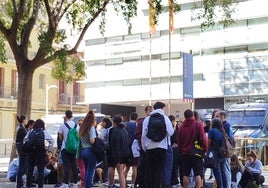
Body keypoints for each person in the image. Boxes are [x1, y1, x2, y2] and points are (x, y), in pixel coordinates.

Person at [141, 101, 174, 188]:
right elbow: (170, 132)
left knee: (150, 170)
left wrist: (144, 146)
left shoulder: (147, 119)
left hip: (150, 148)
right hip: (162, 148)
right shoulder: (165, 118)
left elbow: (143, 134)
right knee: (159, 170)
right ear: (162, 108)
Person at [177, 109, 208, 188]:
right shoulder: (198, 125)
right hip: (196, 153)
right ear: (193, 116)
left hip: (185, 153)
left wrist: (181, 151)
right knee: (197, 174)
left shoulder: (181, 127)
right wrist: (205, 149)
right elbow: (203, 139)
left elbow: (179, 141)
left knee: (185, 174)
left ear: (185, 116)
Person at [24, 119, 54, 188]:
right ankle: (40, 185)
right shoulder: (44, 131)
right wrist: (47, 148)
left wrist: (29, 147)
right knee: (41, 170)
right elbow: (51, 141)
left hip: (31, 153)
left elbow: (25, 139)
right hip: (41, 152)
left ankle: (28, 185)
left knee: (30, 169)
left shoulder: (31, 131)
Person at [207, 118, 233, 188]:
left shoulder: (212, 131)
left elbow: (208, 143)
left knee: (217, 173)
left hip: (216, 155)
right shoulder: (223, 131)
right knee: (223, 172)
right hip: (224, 154)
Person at [58, 110, 79, 188]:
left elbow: (60, 137)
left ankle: (66, 183)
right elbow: (78, 136)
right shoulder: (77, 125)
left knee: (66, 165)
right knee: (74, 165)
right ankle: (75, 183)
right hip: (74, 148)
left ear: (65, 116)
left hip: (65, 148)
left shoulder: (63, 126)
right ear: (72, 116)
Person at [110, 114, 131, 188]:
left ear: (114, 122)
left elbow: (115, 146)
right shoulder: (124, 130)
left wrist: (117, 159)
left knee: (120, 173)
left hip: (120, 155)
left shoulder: (115, 131)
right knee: (121, 172)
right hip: (126, 153)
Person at [134, 105, 153, 188]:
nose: (151, 112)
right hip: (144, 149)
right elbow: (137, 135)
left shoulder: (155, 120)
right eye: (149, 111)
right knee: (143, 168)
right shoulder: (142, 122)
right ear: (146, 112)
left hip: (153, 149)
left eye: (152, 110)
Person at [79, 110, 97, 188]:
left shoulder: (82, 128)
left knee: (86, 171)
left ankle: (85, 186)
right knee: (90, 171)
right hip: (90, 151)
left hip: (83, 151)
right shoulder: (91, 128)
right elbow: (92, 141)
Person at [124, 112, 138, 188]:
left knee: (126, 167)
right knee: (134, 167)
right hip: (135, 148)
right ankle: (133, 184)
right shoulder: (137, 125)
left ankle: (123, 183)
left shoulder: (125, 125)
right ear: (136, 118)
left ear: (130, 117)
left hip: (126, 148)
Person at [15, 115, 28, 188]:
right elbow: (26, 138)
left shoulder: (20, 127)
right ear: (23, 120)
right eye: (26, 119)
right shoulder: (22, 129)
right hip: (23, 150)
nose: (26, 121)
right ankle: (19, 183)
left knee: (22, 166)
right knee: (22, 166)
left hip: (20, 149)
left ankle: (20, 183)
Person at [169, 115, 180, 187]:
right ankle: (173, 181)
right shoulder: (172, 130)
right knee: (173, 166)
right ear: (172, 121)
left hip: (171, 149)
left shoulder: (171, 129)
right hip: (173, 150)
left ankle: (173, 181)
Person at [76, 118, 85, 188]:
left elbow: (79, 144)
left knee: (81, 168)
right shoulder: (87, 130)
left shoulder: (77, 130)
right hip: (86, 151)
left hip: (79, 151)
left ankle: (82, 183)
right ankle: (85, 182)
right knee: (85, 168)